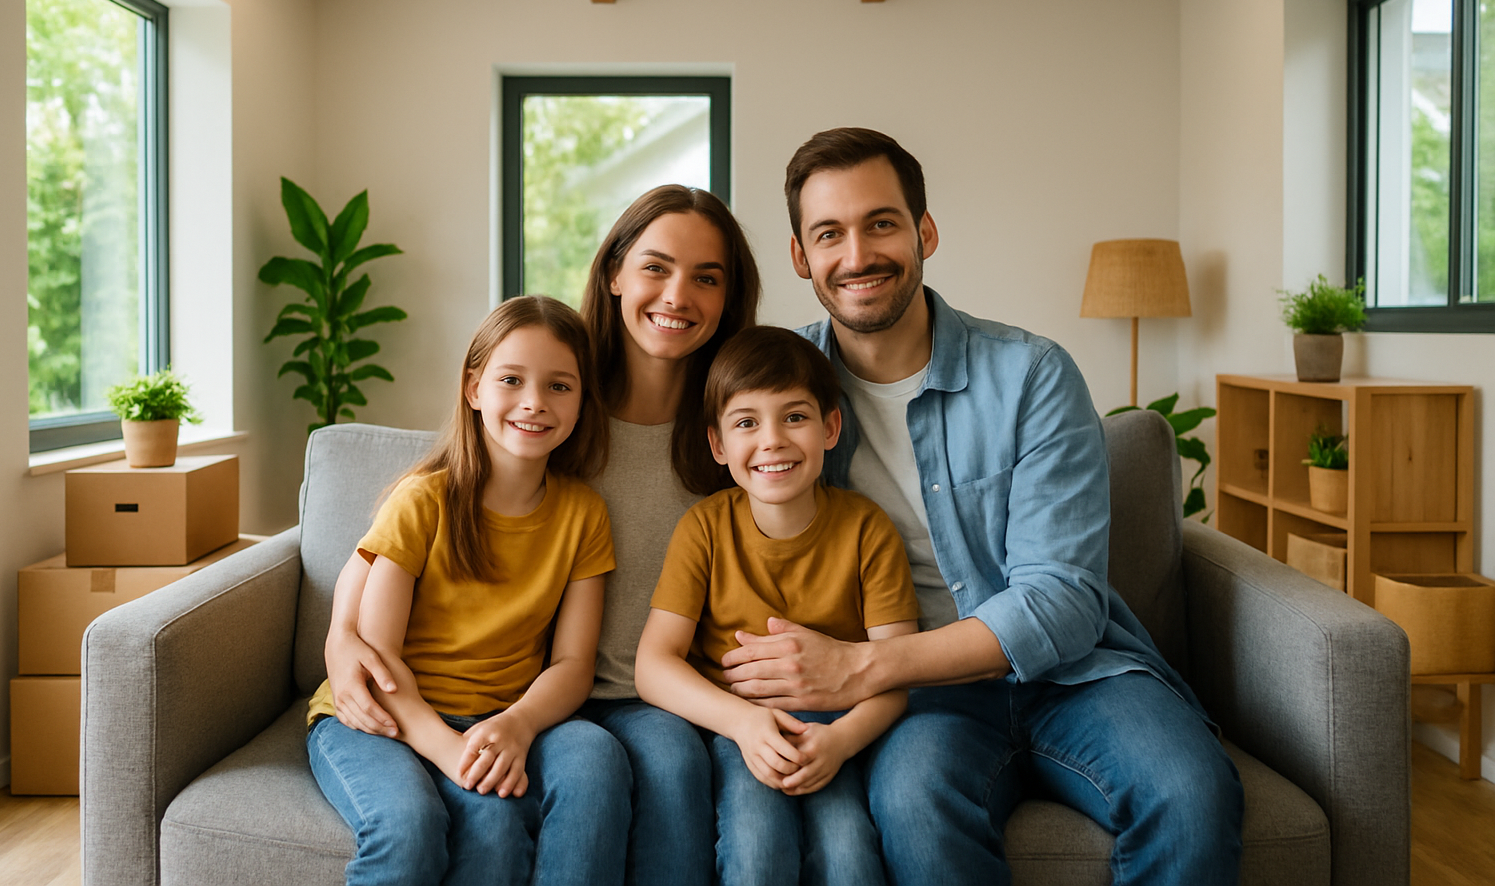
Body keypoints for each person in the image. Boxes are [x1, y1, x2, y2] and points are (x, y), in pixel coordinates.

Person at [718, 128, 1245, 886]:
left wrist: (860, 666)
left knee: (1190, 794)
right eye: (829, 233)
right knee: (912, 802)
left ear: (925, 231)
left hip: (1075, 675)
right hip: (924, 703)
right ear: (801, 257)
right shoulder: (778, 396)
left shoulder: (1031, 374)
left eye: (882, 223)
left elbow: (1063, 603)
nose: (857, 254)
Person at [324, 185, 761, 886]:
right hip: (523, 694)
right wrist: (341, 636)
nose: (678, 294)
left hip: (645, 692)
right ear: (614, 271)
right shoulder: (556, 400)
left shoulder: (734, 428)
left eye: (707, 277)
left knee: (672, 765)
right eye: (655, 267)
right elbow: (393, 534)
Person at [305, 294, 629, 886]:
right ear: (474, 388)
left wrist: (518, 724)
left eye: (560, 386)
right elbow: (379, 661)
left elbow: (574, 664)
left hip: (493, 716)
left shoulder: (584, 514)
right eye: (511, 379)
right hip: (380, 715)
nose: (534, 402)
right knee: (408, 827)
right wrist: (450, 753)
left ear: (583, 401)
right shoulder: (423, 501)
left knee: (499, 829)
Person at [635, 325, 919, 886]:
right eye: (746, 423)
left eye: (794, 417)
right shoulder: (704, 528)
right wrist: (743, 724)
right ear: (718, 445)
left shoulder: (867, 529)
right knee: (757, 850)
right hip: (739, 733)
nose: (772, 440)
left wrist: (839, 741)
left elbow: (897, 672)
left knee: (849, 858)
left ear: (830, 427)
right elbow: (653, 665)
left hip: (839, 732)